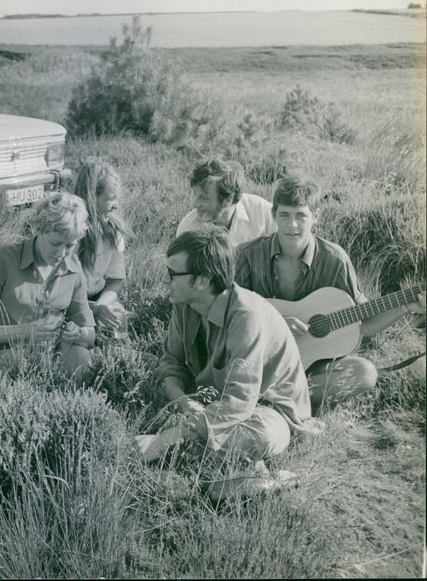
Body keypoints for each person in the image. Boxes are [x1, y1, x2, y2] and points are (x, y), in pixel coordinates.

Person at [136, 228, 311, 488]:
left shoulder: (246, 316)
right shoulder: (185, 303)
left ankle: (209, 459)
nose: (164, 279)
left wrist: (172, 435)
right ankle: (240, 470)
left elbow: (240, 402)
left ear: (202, 281)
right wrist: (185, 403)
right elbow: (170, 364)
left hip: (267, 408)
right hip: (214, 401)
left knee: (260, 435)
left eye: (172, 274)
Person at [235, 175, 425, 410]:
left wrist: (405, 306)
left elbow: (362, 324)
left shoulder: (335, 260)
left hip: (312, 367)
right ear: (274, 215)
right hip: (258, 358)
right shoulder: (249, 255)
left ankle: (272, 396)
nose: (292, 225)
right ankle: (279, 396)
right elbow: (230, 314)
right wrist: (277, 324)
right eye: (284, 215)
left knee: (365, 373)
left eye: (301, 215)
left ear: (315, 216)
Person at [0, 191, 96, 375]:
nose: (62, 254)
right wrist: (25, 331)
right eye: (55, 244)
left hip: (54, 352)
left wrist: (78, 334)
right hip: (9, 353)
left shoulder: (73, 268)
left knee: (84, 362)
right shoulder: (3, 262)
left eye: (70, 246)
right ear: (38, 229)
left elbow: (90, 335)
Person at [73, 158, 134, 336]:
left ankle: (117, 358)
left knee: (118, 317)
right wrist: (91, 309)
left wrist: (103, 304)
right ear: (92, 199)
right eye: (110, 199)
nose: (116, 205)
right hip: (67, 303)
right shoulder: (71, 235)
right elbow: (58, 292)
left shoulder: (112, 232)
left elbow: (115, 280)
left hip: (97, 298)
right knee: (84, 333)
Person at [176, 159, 276, 247]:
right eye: (195, 195)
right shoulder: (188, 230)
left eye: (204, 198)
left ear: (228, 200)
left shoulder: (263, 212)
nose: (195, 204)